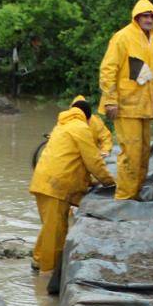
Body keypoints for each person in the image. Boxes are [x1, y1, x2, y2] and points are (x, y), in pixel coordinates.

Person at [99, 0, 153, 201]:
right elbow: (108, 70)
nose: (148, 19)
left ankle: (134, 194)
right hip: (125, 107)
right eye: (144, 16)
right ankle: (123, 198)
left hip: (145, 109)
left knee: (142, 155)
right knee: (130, 154)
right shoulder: (122, 38)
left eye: (151, 16)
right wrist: (111, 100)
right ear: (136, 17)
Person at [28, 99, 115, 272]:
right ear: (88, 118)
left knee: (50, 228)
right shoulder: (81, 128)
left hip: (43, 182)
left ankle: (38, 261)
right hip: (56, 187)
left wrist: (90, 181)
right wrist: (109, 182)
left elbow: (70, 160)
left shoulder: (60, 126)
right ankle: (47, 275)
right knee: (56, 235)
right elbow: (93, 161)